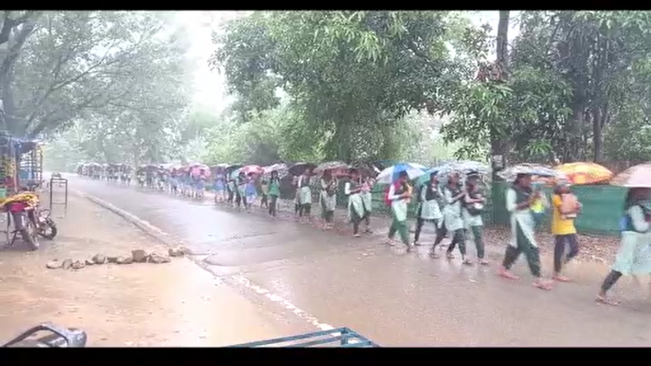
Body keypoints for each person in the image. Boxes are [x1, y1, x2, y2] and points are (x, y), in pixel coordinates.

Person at [498, 173, 554, 290]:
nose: (529, 180)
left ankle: (503, 269)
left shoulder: (531, 189)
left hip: (529, 221)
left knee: (515, 246)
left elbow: (544, 205)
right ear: (519, 178)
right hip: (519, 221)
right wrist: (529, 202)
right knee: (531, 247)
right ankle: (539, 279)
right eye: (527, 178)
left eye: (530, 178)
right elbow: (510, 207)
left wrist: (540, 197)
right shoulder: (512, 190)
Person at [597, 188, 651, 305]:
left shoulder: (642, 207)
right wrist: (649, 220)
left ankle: (603, 292)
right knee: (620, 267)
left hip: (641, 241)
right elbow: (640, 227)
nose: (647, 193)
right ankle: (602, 293)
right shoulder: (635, 208)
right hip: (632, 241)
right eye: (644, 191)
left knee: (646, 265)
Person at [429, 172, 470, 264]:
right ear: (450, 178)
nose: (457, 178)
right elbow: (449, 201)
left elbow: (464, 199)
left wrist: (464, 191)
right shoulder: (446, 188)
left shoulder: (460, 187)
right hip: (448, 214)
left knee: (460, 234)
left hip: (457, 214)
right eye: (455, 177)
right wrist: (461, 194)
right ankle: (433, 248)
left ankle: (464, 256)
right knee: (442, 234)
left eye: (458, 177)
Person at [551, 182, 581, 282]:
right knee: (559, 250)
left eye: (567, 185)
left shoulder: (571, 197)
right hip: (559, 227)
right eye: (563, 185)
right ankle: (557, 273)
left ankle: (562, 263)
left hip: (569, 226)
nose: (565, 187)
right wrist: (574, 208)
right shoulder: (556, 197)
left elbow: (575, 211)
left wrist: (577, 207)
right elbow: (562, 210)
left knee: (575, 248)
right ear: (558, 187)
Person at [462, 173, 488, 265]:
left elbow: (483, 199)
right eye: (473, 179)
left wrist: (482, 199)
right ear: (469, 180)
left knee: (479, 235)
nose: (475, 180)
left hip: (476, 213)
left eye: (476, 179)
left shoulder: (479, 189)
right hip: (467, 213)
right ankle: (465, 256)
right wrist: (478, 200)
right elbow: (467, 200)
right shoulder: (465, 189)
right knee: (463, 236)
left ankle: (481, 258)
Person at [414, 173, 443, 246]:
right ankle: (416, 240)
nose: (437, 177)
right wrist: (425, 203)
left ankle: (438, 240)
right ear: (432, 176)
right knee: (420, 222)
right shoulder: (426, 184)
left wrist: (443, 198)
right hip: (425, 205)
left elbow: (440, 193)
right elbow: (422, 195)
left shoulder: (437, 184)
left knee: (437, 221)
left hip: (433, 205)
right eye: (436, 175)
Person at [386, 171, 413, 251]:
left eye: (406, 178)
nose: (405, 179)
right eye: (404, 178)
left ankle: (389, 237)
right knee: (402, 224)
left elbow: (408, 194)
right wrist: (401, 196)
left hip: (403, 206)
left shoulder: (406, 185)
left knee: (396, 222)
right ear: (400, 177)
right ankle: (407, 243)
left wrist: (409, 195)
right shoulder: (394, 185)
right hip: (396, 206)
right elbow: (390, 197)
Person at [346, 169, 369, 237]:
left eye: (357, 174)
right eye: (355, 174)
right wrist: (358, 189)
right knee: (356, 215)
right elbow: (347, 192)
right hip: (353, 200)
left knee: (365, 213)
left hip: (359, 199)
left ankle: (353, 221)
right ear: (351, 175)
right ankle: (355, 232)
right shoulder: (349, 182)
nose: (356, 175)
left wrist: (362, 187)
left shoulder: (358, 182)